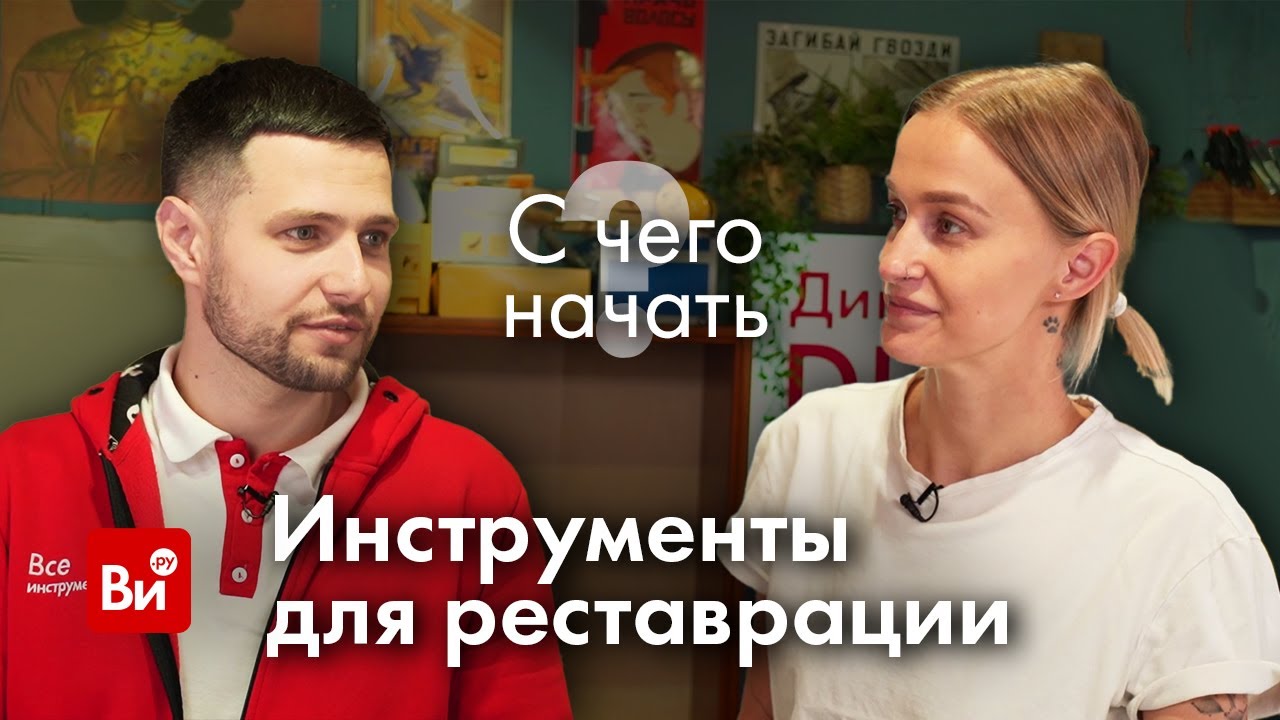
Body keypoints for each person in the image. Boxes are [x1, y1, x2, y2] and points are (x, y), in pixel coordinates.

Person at [0, 57, 571, 719]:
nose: (355, 282)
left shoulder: (466, 489)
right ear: (185, 241)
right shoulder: (24, 481)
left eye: (374, 238)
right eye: (305, 233)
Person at [722, 63, 1280, 719]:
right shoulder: (808, 444)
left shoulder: (1182, 532)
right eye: (898, 212)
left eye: (950, 225)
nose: (892, 260)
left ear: (1077, 267)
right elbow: (768, 697)